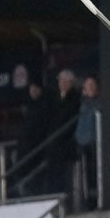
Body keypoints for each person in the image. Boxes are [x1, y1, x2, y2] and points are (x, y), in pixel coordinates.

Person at [46, 69, 80, 201]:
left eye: (65, 81)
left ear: (71, 82)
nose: (62, 83)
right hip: (53, 144)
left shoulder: (75, 98)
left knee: (63, 176)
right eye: (60, 80)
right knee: (53, 174)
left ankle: (65, 200)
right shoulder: (55, 98)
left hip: (66, 145)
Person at [15, 82, 54, 195]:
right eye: (31, 89)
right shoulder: (29, 107)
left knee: (37, 178)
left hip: (38, 150)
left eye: (36, 89)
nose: (33, 92)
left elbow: (42, 127)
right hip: (26, 150)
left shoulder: (44, 106)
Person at [74, 76, 101, 211]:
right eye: (87, 85)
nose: (89, 88)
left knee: (96, 173)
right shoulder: (82, 105)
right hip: (84, 144)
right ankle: (88, 201)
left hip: (97, 144)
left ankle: (97, 199)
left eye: (92, 84)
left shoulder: (99, 103)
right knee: (86, 176)